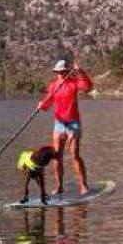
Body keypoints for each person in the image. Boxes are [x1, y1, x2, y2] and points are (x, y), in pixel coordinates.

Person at [37, 59, 93, 195]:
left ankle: (83, 185)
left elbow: (87, 87)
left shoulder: (73, 83)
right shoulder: (53, 86)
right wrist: (41, 105)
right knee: (57, 156)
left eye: (63, 71)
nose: (61, 74)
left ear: (67, 71)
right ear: (56, 72)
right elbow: (48, 102)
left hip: (73, 122)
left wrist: (80, 72)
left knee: (74, 154)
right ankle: (59, 186)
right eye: (58, 72)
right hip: (59, 123)